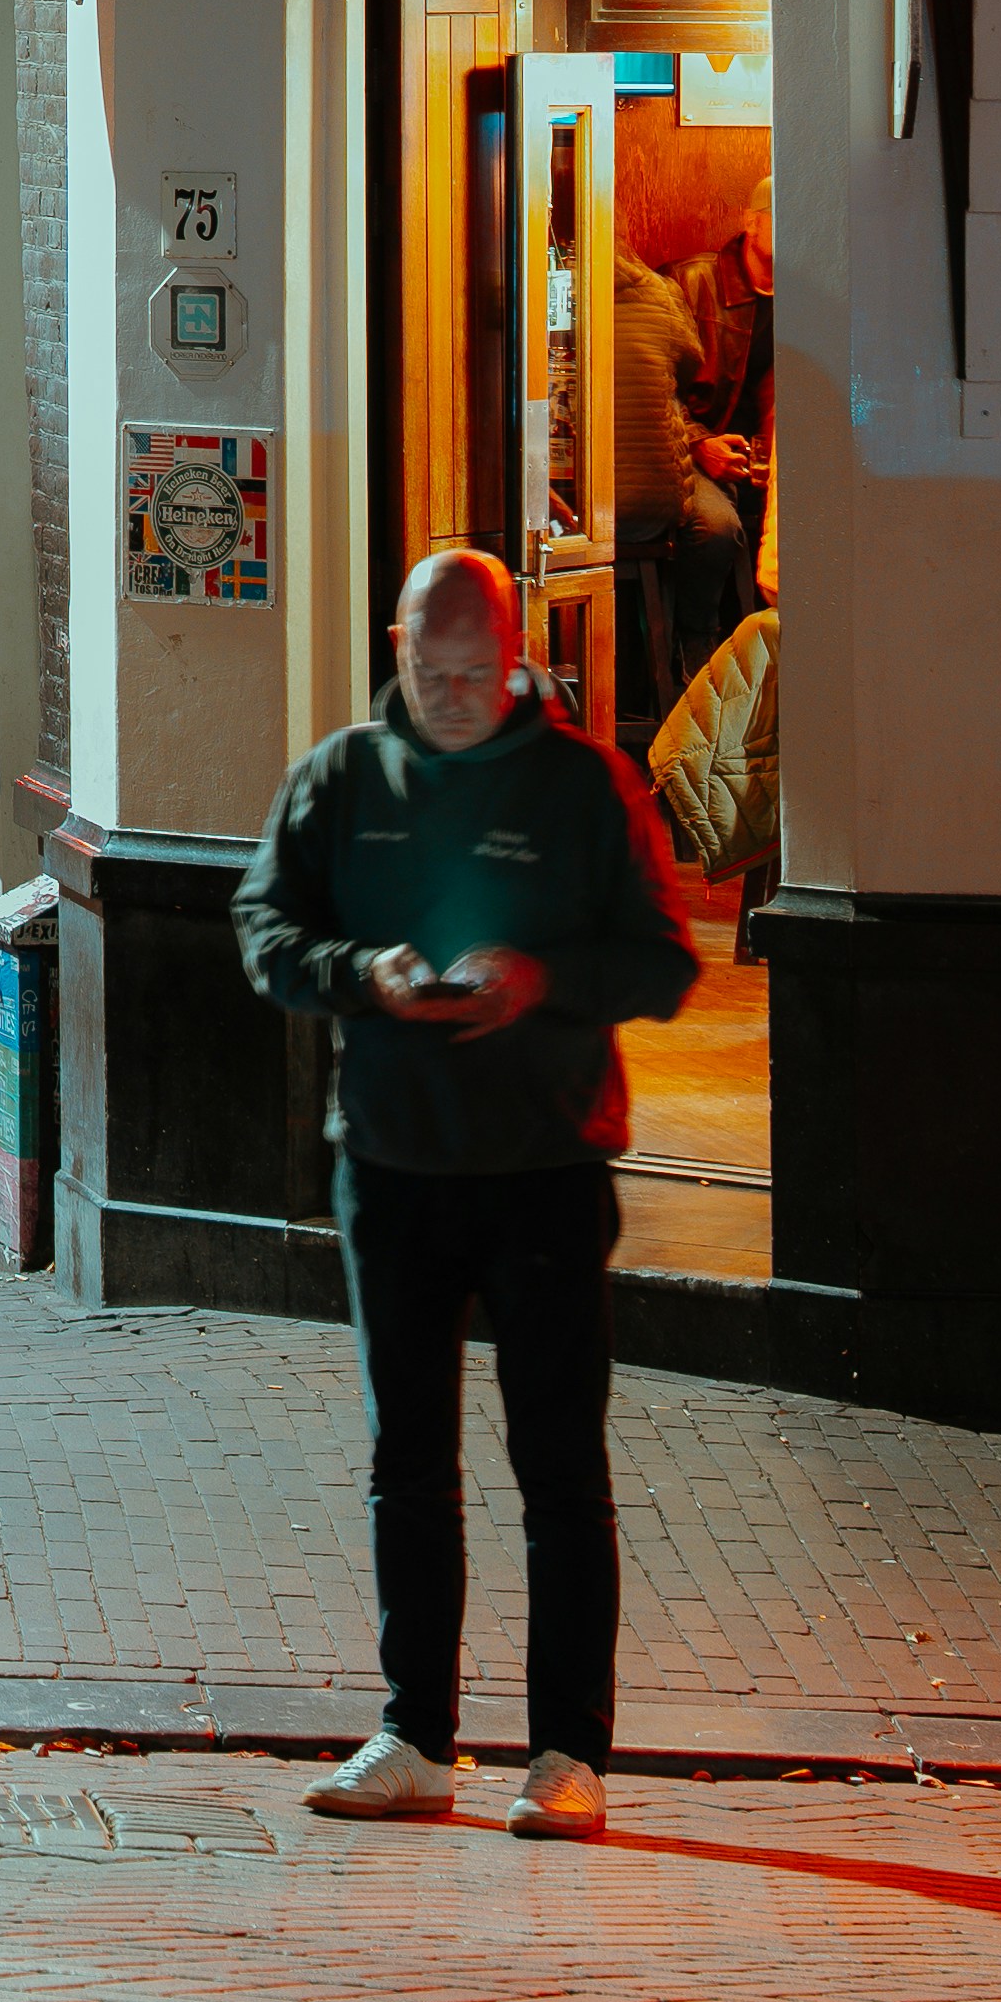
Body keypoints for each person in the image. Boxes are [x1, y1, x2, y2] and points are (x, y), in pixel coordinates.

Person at [231, 543, 697, 1843]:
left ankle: (567, 1755)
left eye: (474, 674)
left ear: (515, 656)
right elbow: (263, 929)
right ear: (397, 647)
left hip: (546, 1169)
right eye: (429, 672)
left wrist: (542, 982)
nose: (449, 696)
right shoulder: (340, 778)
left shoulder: (586, 785)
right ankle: (417, 1736)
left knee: (559, 1465)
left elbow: (666, 960)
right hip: (392, 1165)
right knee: (408, 1462)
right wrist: (358, 974)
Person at [611, 243, 745, 711]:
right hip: (661, 465)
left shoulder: (661, 293)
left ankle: (694, 645)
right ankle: (692, 651)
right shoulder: (674, 289)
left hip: (677, 450)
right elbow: (686, 372)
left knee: (717, 526)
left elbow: (676, 389)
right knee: (713, 527)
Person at [679, 176, 776, 584]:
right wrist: (699, 443)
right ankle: (698, 643)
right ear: (751, 223)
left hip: (762, 462)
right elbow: (648, 389)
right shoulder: (691, 281)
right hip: (694, 452)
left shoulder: (812, 297)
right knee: (717, 531)